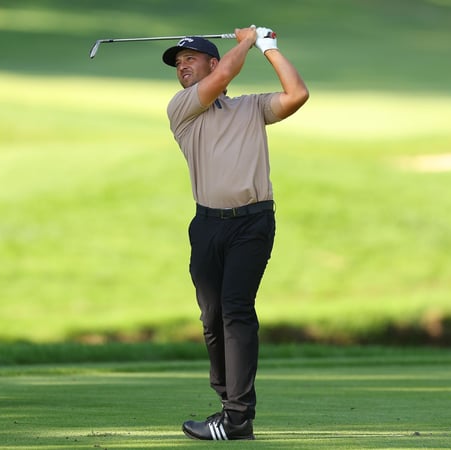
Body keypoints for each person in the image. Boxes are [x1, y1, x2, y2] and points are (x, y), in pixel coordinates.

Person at [162, 26, 309, 440]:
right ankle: (228, 407)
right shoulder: (182, 108)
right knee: (212, 318)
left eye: (190, 59)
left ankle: (237, 417)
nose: (182, 67)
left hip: (253, 223)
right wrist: (246, 39)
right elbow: (224, 76)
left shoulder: (251, 108)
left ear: (210, 61)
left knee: (236, 311)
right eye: (178, 63)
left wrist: (269, 47)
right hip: (207, 226)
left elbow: (297, 95)